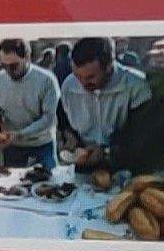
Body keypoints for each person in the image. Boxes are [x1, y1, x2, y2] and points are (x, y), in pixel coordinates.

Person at [59, 35, 158, 173]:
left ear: (109, 66)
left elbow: (143, 136)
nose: (82, 84)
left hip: (126, 166)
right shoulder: (69, 85)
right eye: (78, 76)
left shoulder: (136, 86)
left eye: (90, 77)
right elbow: (65, 122)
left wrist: (107, 151)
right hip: (84, 164)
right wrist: (70, 138)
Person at [0, 36, 62, 173]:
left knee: (49, 184)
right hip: (12, 146)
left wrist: (20, 134)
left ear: (27, 58)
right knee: (12, 187)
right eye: (4, 65)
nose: (8, 71)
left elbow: (48, 119)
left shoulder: (46, 80)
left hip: (42, 144)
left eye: (14, 66)